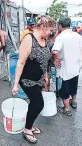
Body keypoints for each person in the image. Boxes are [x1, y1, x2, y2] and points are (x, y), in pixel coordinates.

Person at [12, 16, 55, 144]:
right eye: (50, 30)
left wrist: (46, 76)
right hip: (27, 79)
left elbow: (45, 60)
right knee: (38, 104)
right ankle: (27, 129)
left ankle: (28, 123)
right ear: (43, 27)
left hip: (39, 78)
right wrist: (15, 84)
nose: (50, 33)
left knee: (35, 103)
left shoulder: (44, 39)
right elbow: (20, 62)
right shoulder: (28, 39)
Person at [51, 16, 82, 116]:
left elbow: (55, 51)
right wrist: (80, 56)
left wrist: (55, 60)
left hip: (65, 69)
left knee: (64, 89)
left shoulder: (60, 37)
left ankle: (67, 109)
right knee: (73, 85)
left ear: (60, 26)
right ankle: (74, 102)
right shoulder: (77, 36)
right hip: (76, 68)